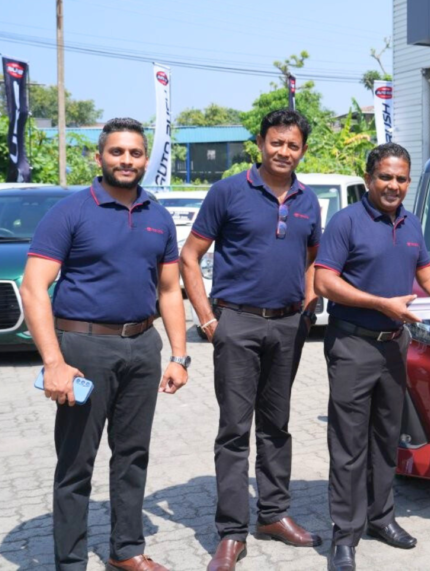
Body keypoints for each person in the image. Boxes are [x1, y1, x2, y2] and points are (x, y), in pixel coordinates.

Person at [20, 117, 189, 571]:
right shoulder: (71, 212)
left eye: (135, 153)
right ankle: (70, 562)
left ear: (145, 160)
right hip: (84, 347)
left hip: (143, 346)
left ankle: (126, 550)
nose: (126, 160)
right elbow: (34, 288)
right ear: (99, 157)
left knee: (133, 455)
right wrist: (53, 362)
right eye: (117, 152)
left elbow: (169, 290)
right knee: (76, 462)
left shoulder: (157, 216)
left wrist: (179, 355)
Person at [181, 109, 323, 571]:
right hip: (236, 323)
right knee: (234, 430)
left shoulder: (308, 200)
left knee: (277, 425)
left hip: (288, 326)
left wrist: (307, 309)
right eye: (276, 142)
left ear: (302, 150)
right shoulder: (227, 192)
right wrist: (208, 321)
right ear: (260, 143)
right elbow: (190, 256)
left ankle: (274, 514)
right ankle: (231, 533)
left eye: (293, 145)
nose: (284, 151)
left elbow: (312, 258)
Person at [314, 142, 430, 571]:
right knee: (349, 443)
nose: (393, 185)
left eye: (401, 178)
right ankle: (345, 535)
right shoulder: (346, 222)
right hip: (352, 344)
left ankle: (381, 518)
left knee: (386, 437)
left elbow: (427, 275)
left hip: (394, 344)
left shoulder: (411, 223)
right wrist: (381, 303)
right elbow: (324, 282)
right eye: (385, 177)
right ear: (369, 178)